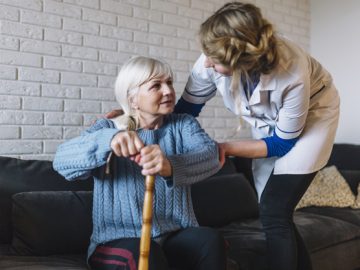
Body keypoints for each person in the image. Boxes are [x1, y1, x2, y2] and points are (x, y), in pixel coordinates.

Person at [173, 2, 340, 270]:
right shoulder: (210, 58)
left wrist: (225, 147)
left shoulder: (291, 71)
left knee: (274, 210)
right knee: (275, 212)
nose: (206, 62)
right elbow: (185, 111)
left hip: (314, 115)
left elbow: (281, 143)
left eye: (214, 60)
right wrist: (132, 121)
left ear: (241, 62)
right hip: (270, 123)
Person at [53, 56, 227, 270]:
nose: (168, 91)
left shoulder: (183, 125)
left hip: (173, 236)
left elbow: (211, 156)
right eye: (156, 85)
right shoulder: (109, 127)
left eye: (169, 83)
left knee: (209, 240)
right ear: (132, 99)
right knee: (144, 253)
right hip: (116, 241)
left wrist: (170, 166)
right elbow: (61, 161)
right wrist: (108, 140)